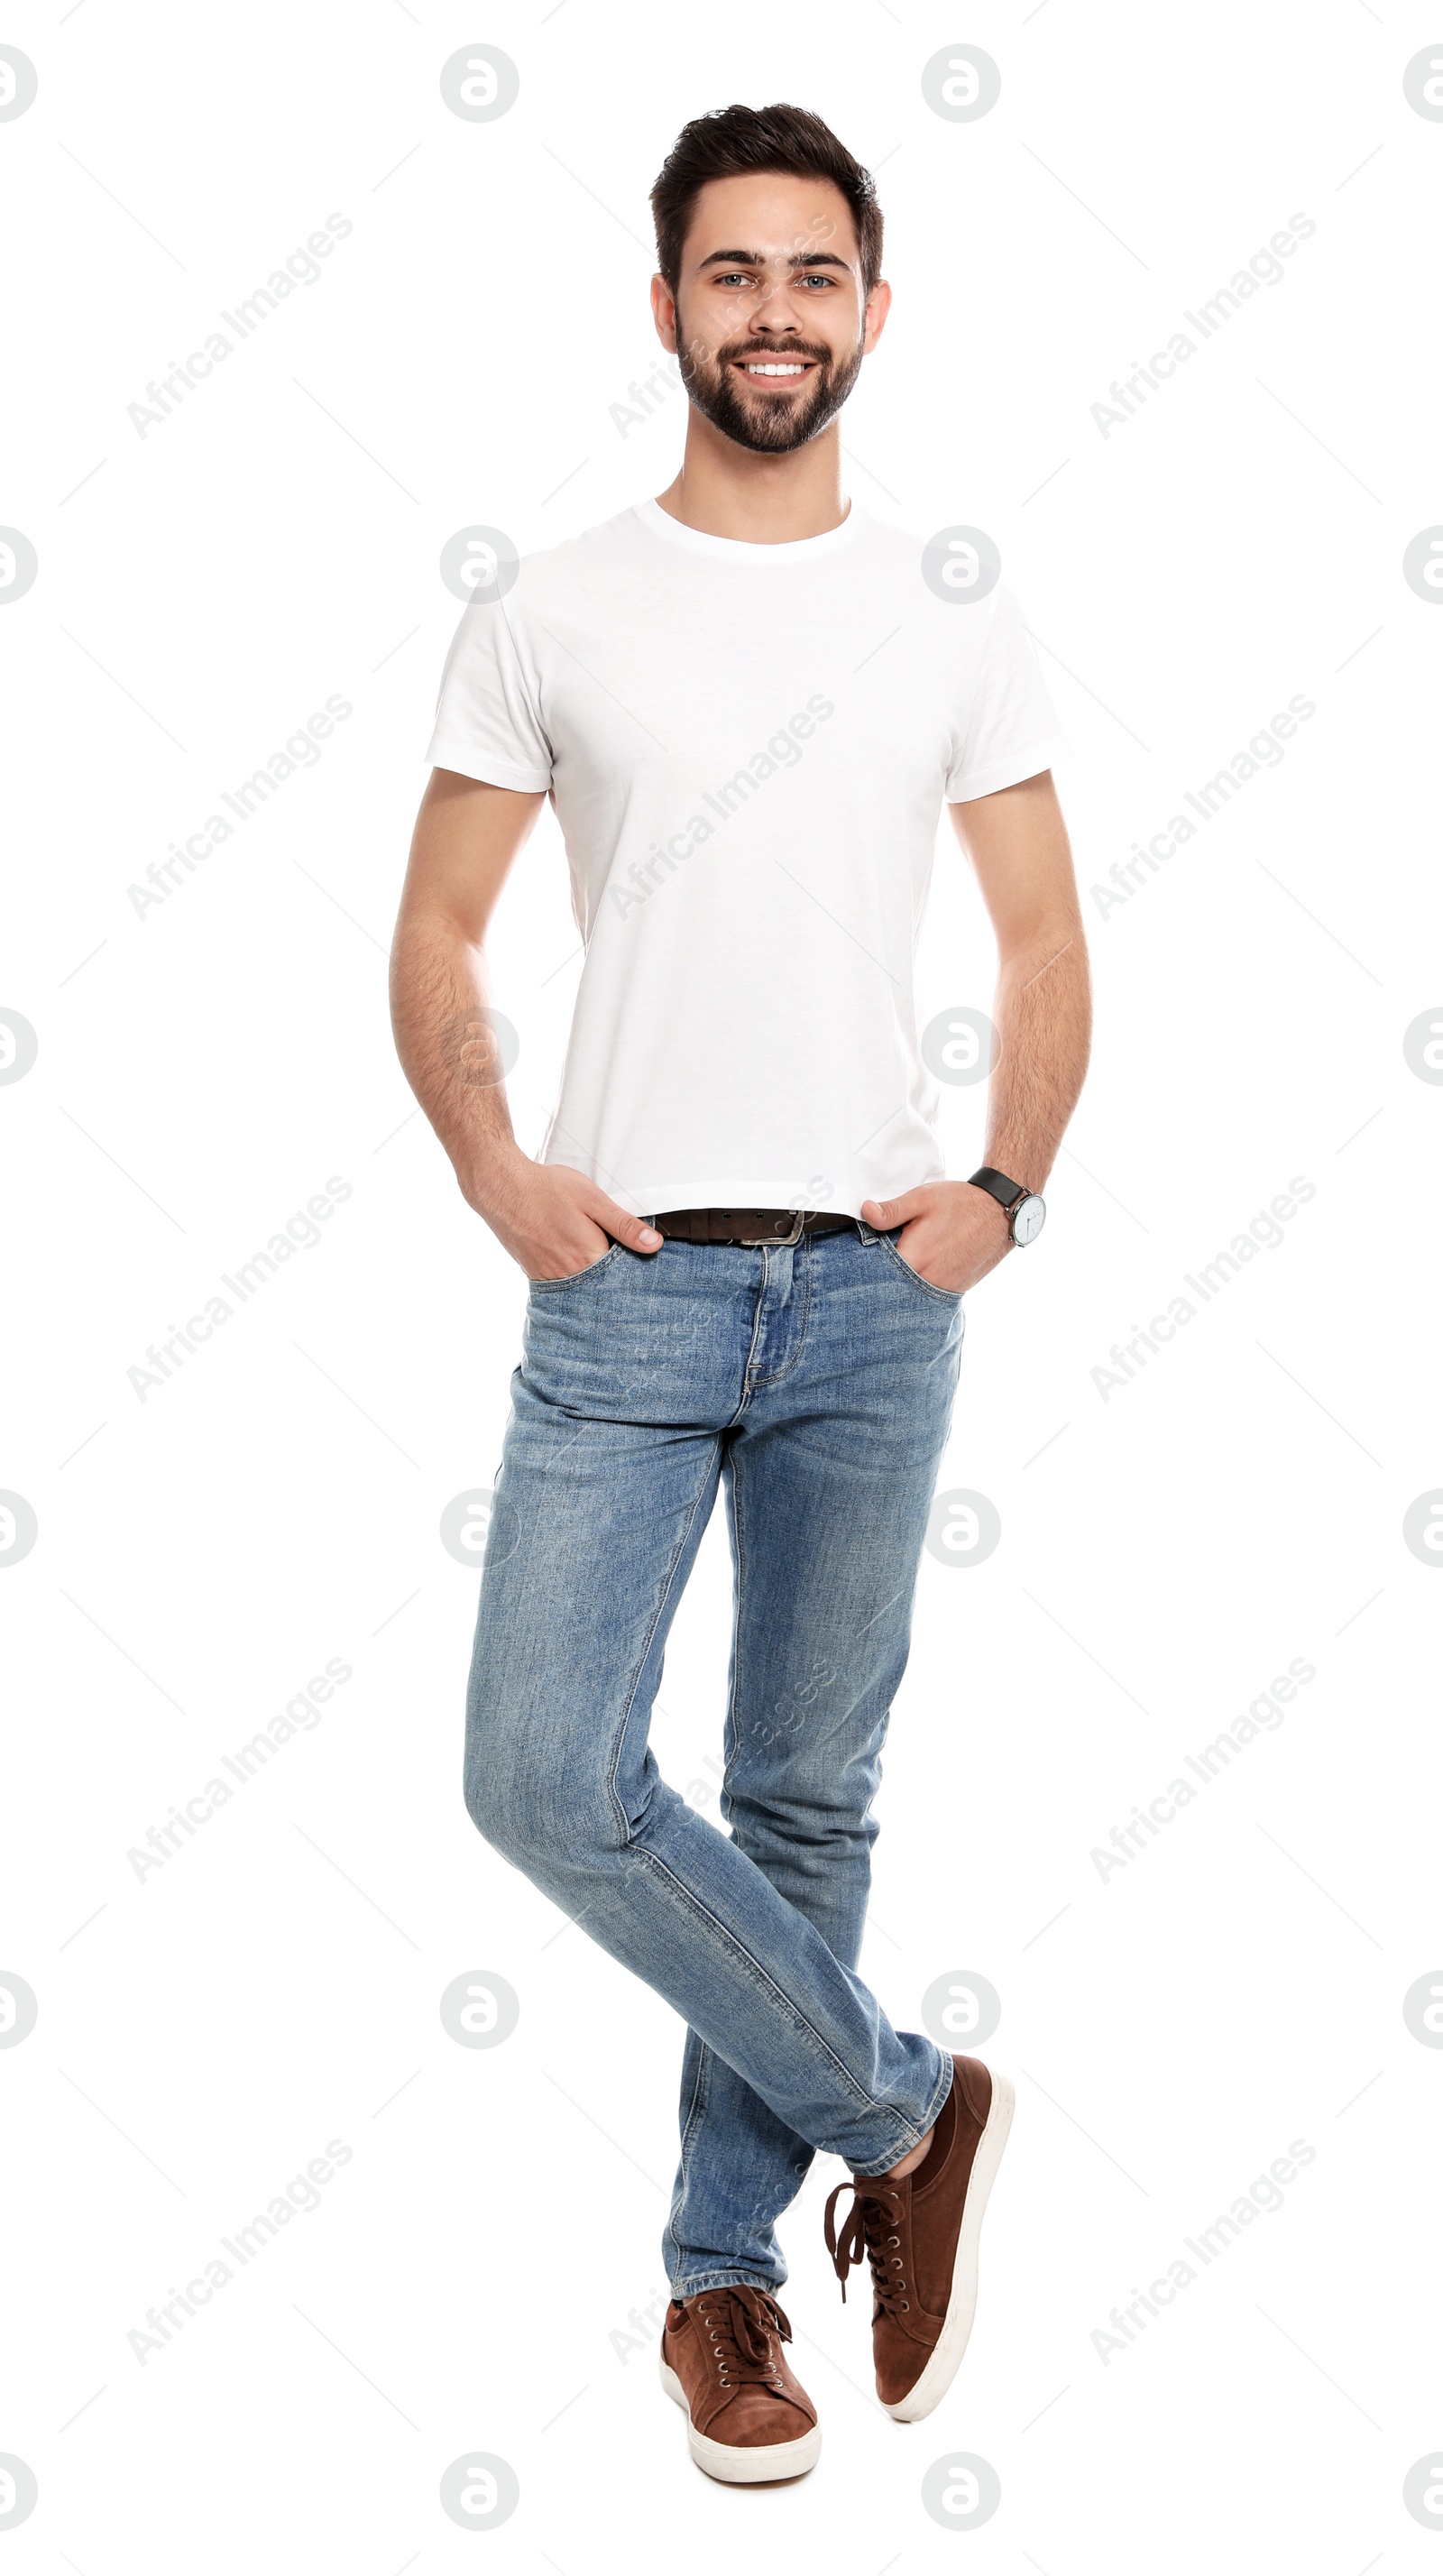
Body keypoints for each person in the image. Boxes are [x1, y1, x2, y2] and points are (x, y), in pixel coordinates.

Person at [391, 100, 1090, 2485]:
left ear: (871, 314)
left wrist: (1005, 1181)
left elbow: (1046, 936)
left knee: (804, 1802)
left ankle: (726, 2296)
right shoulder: (549, 608)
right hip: (627, 1280)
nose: (774, 312)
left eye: (817, 275)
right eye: (733, 273)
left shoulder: (952, 606)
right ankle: (909, 2108)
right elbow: (434, 931)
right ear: (669, 307)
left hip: (881, 1282)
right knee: (542, 1775)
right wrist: (495, 1158)